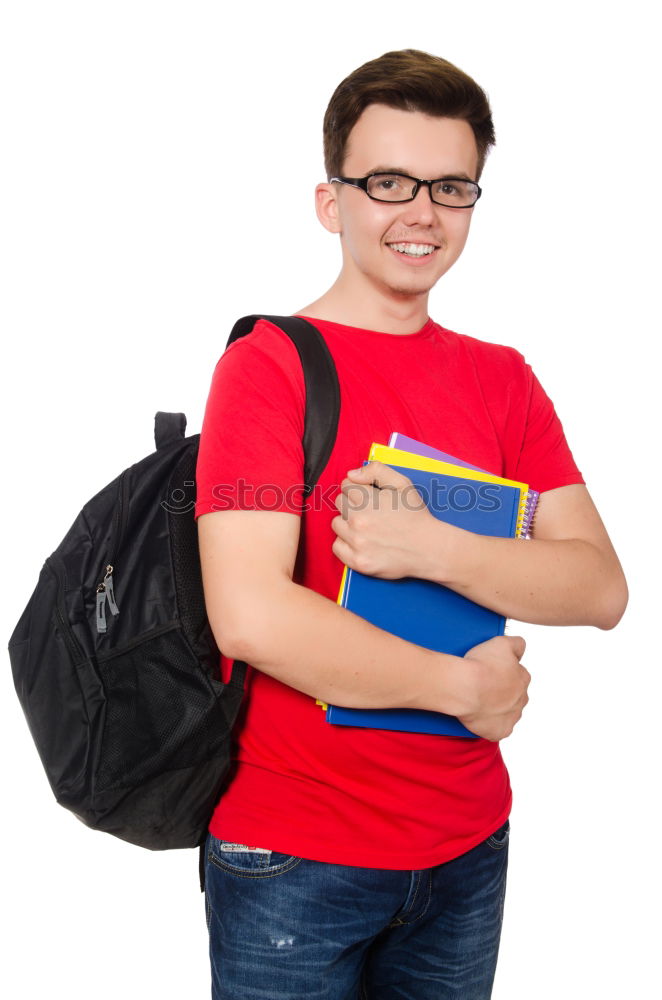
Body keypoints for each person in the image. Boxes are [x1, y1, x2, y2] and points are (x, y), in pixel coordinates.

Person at [194, 48, 627, 1000]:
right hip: (295, 861)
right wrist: (460, 692)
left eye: (451, 186)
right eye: (387, 181)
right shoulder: (267, 369)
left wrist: (434, 548)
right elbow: (250, 616)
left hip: (468, 848)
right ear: (331, 201)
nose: (421, 212)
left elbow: (600, 587)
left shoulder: (502, 379)